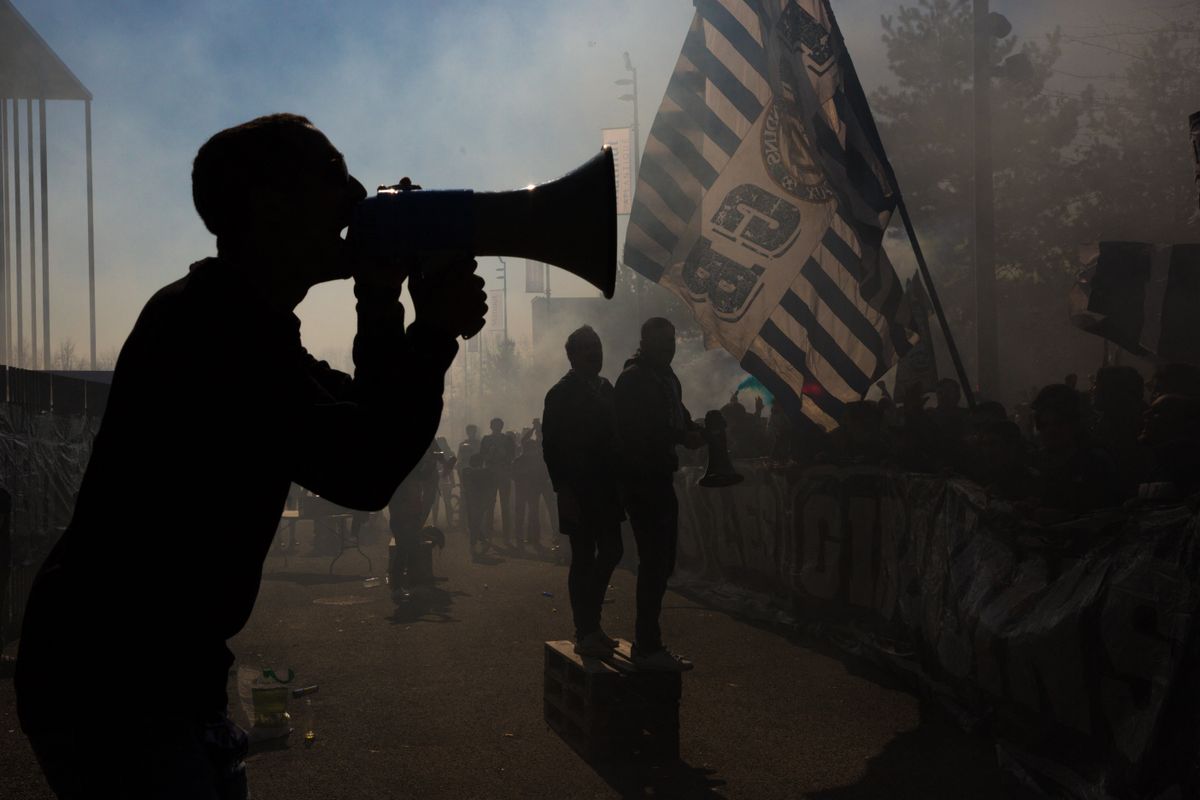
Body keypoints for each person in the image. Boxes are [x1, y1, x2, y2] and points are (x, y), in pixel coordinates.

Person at [14, 114, 486, 799]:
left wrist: (385, 301)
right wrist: (430, 328)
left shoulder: (233, 319)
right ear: (270, 204)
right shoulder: (214, 329)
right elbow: (366, 464)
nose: (354, 193)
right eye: (332, 173)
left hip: (136, 672)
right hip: (117, 679)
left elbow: (362, 420)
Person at [613, 318, 704, 671]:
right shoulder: (633, 380)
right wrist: (681, 437)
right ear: (645, 343)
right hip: (641, 479)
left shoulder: (667, 378)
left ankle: (649, 641)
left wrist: (696, 431)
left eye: (672, 340)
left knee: (662, 560)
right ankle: (648, 644)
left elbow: (679, 417)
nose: (670, 347)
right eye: (662, 342)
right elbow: (637, 433)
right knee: (654, 560)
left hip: (661, 477)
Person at [543, 326, 626, 657]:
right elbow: (551, 447)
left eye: (599, 346)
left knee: (612, 550)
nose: (596, 353)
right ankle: (585, 630)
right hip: (577, 488)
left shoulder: (607, 388)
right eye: (588, 348)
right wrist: (563, 490)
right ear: (572, 355)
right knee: (583, 557)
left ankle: (592, 623)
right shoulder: (560, 394)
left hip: (607, 486)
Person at [479, 417, 516, 546]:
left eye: (498, 425)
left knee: (504, 506)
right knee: (490, 505)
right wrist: (490, 455)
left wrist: (503, 454)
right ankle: (489, 534)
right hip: (491, 475)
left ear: (501, 426)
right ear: (491, 426)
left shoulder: (507, 440)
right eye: (494, 425)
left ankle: (506, 535)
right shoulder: (487, 440)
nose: (496, 427)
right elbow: (481, 456)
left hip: (503, 475)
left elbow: (512, 456)